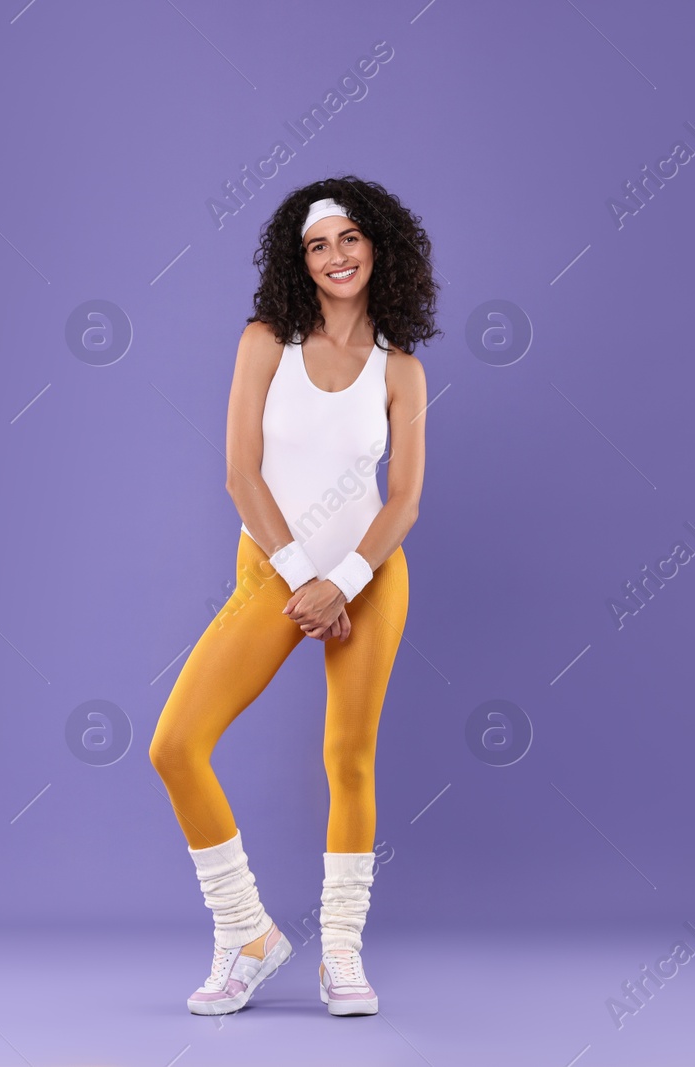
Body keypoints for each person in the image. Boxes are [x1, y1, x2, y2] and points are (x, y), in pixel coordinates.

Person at [149, 175, 437, 1017]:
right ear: (298, 261)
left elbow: (405, 500)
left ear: (377, 245)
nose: (336, 256)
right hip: (273, 569)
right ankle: (246, 931)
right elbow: (241, 472)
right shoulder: (264, 341)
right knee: (176, 744)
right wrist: (301, 577)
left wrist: (343, 581)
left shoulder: (402, 369)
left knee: (347, 758)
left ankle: (341, 954)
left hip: (370, 577)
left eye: (349, 238)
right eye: (318, 245)